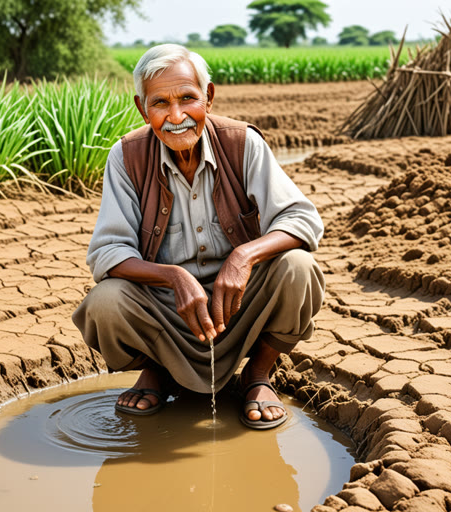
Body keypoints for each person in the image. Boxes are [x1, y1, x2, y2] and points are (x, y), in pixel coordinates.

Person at [72, 44, 325, 430]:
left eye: (187, 98)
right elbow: (107, 253)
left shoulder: (242, 143)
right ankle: (156, 372)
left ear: (207, 97)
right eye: (160, 104)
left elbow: (302, 219)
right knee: (106, 302)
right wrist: (172, 277)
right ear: (143, 109)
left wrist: (243, 256)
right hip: (167, 308)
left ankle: (258, 375)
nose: (176, 117)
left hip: (239, 303)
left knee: (298, 267)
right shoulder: (126, 157)